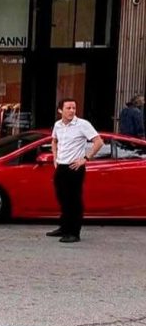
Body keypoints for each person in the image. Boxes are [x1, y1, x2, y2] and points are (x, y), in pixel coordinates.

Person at [48, 98, 104, 244]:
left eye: (74, 108)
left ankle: (74, 232)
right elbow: (54, 141)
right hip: (61, 166)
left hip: (75, 167)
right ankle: (64, 227)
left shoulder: (83, 125)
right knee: (62, 198)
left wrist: (85, 158)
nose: (72, 111)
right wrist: (55, 157)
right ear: (60, 110)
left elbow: (99, 142)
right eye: (68, 108)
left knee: (74, 201)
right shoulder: (57, 125)